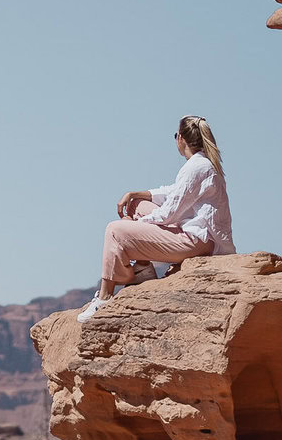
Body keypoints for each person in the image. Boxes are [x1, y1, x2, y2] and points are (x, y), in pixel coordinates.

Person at [78, 115, 235, 321]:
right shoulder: (202, 165)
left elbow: (169, 213)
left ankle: (105, 297)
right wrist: (136, 194)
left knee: (115, 231)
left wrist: (135, 225)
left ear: (180, 138)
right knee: (136, 205)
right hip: (197, 236)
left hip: (196, 241)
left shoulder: (197, 167)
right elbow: (174, 192)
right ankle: (142, 269)